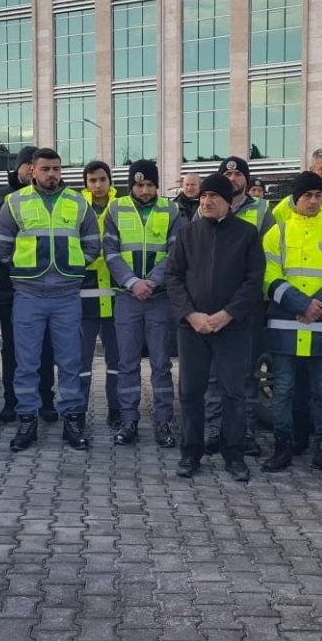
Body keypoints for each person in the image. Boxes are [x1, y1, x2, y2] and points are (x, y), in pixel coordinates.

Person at [0, 148, 100, 452]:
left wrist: (75, 267)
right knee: (26, 362)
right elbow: (0, 246)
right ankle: (27, 420)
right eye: (45, 169)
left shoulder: (77, 202)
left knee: (70, 361)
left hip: (67, 295)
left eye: (56, 168)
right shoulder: (15, 202)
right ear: (33, 171)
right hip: (29, 294)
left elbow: (93, 243)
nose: (52, 174)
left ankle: (73, 421)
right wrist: (21, 268)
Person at [166, 174, 264, 482]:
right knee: (190, 392)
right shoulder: (188, 233)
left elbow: (253, 280)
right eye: (203, 196)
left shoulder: (246, 234)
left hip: (232, 328)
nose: (206, 201)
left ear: (228, 201)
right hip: (193, 328)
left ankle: (234, 455)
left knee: (233, 392)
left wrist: (227, 314)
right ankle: (190, 453)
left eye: (213, 197)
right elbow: (174, 277)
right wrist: (190, 315)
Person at [261, 172, 322, 479]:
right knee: (284, 390)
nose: (314, 201)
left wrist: (317, 304)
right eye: (307, 195)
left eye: (318, 195)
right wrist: (300, 304)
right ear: (295, 200)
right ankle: (282, 447)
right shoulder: (277, 233)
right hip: (286, 327)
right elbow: (268, 275)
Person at [104, 159, 180, 447]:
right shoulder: (116, 209)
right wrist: (132, 282)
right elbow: (110, 252)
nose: (145, 190)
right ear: (130, 186)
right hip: (128, 297)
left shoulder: (171, 210)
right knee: (127, 363)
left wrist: (152, 281)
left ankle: (164, 422)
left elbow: (175, 252)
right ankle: (129, 421)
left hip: (159, 298)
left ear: (157, 186)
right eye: (139, 185)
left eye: (149, 185)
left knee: (161, 364)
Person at [205, 156, 275, 457]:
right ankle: (213, 429)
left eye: (237, 175)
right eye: (227, 174)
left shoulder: (263, 211)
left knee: (247, 373)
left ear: (246, 179)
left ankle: (244, 432)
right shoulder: (206, 206)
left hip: (247, 304)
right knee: (212, 373)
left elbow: (267, 258)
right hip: (213, 303)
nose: (232, 179)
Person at [0, 145, 55, 423]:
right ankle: (11, 401)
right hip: (10, 289)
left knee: (45, 347)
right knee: (13, 349)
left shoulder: (52, 198)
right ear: (20, 167)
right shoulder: (1, 199)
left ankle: (46, 399)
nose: (32, 170)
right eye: (28, 164)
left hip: (45, 288)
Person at [79, 160, 122, 429]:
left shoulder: (121, 206)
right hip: (84, 293)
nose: (98, 185)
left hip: (116, 291)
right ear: (86, 182)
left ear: (110, 181)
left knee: (116, 360)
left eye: (102, 179)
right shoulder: (76, 207)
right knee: (81, 360)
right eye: (92, 180)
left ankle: (116, 409)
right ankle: (78, 411)